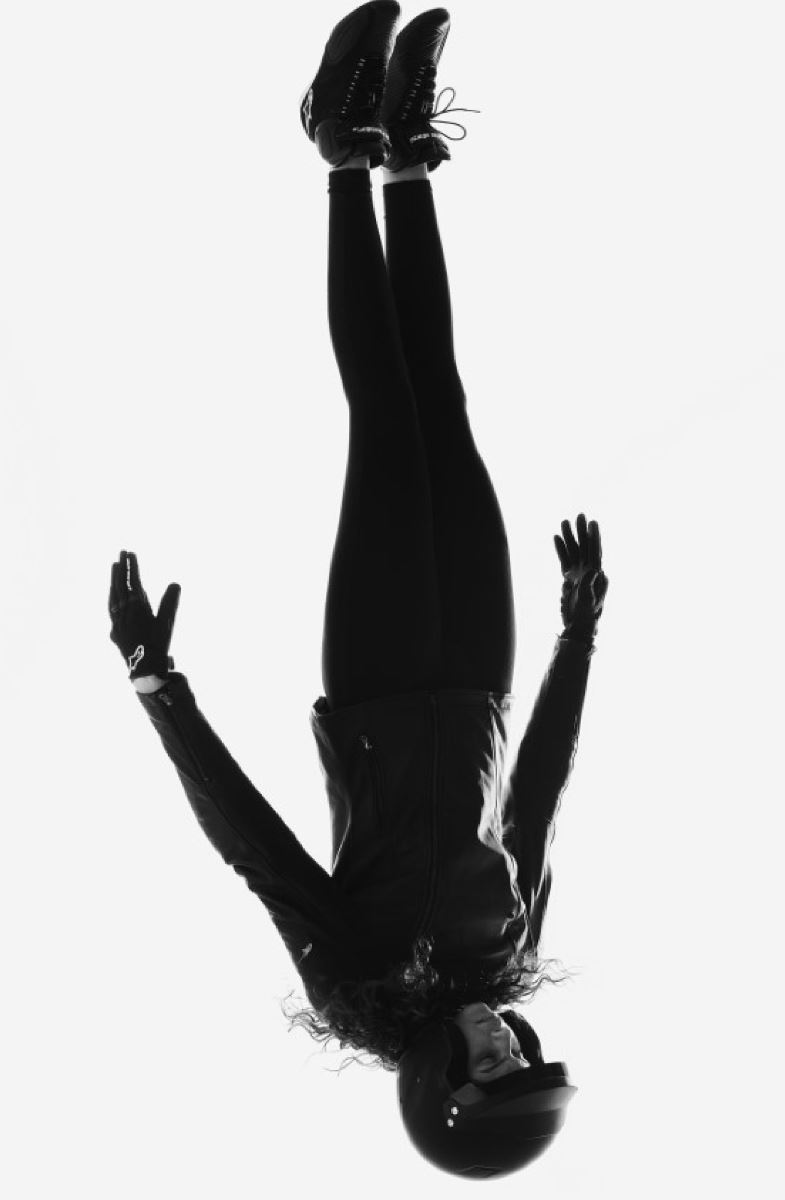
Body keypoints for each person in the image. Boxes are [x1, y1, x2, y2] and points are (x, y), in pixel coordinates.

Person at [107, 1, 609, 1179]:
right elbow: (536, 797)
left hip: (379, 683)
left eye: (492, 1069)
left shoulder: (355, 981)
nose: (508, 1043)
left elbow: (260, 853)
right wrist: (580, 636)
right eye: (524, 1058)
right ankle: (404, 151)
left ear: (442, 1087)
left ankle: (339, 150)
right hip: (480, 676)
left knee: (385, 416)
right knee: (443, 399)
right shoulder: (508, 952)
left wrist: (159, 688)